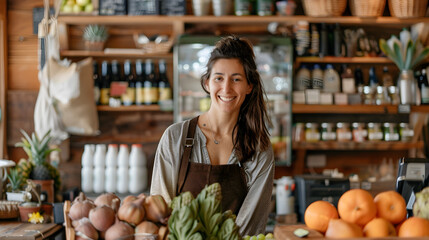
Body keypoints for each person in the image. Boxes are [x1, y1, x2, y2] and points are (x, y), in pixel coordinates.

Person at [150, 35, 274, 236]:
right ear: (207, 83)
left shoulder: (259, 148)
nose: (226, 88)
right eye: (219, 78)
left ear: (249, 86)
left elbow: (251, 223)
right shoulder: (176, 138)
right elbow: (159, 211)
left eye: (236, 79)